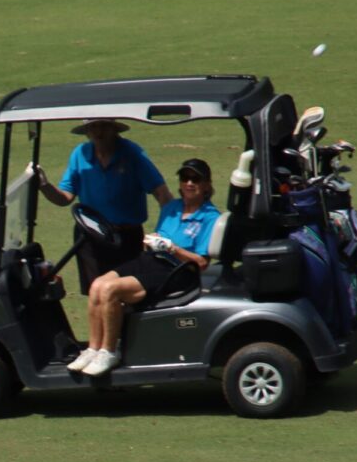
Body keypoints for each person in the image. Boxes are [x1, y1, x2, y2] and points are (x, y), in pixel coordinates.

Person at [68, 158, 221, 377]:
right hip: (151, 259)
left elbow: (202, 263)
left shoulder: (209, 217)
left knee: (110, 290)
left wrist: (172, 248)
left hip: (177, 271)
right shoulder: (171, 208)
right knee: (97, 285)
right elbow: (159, 239)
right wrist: (154, 242)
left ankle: (109, 351)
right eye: (185, 178)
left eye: (195, 179)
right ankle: (93, 349)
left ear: (206, 185)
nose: (189, 183)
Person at [35, 119, 175, 294]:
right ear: (87, 132)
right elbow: (64, 198)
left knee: (125, 292)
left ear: (114, 129)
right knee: (95, 292)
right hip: (90, 236)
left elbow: (162, 194)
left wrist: (165, 234)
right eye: (93, 127)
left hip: (126, 237)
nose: (98, 132)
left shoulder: (133, 154)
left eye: (103, 126)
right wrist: (44, 185)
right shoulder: (80, 154)